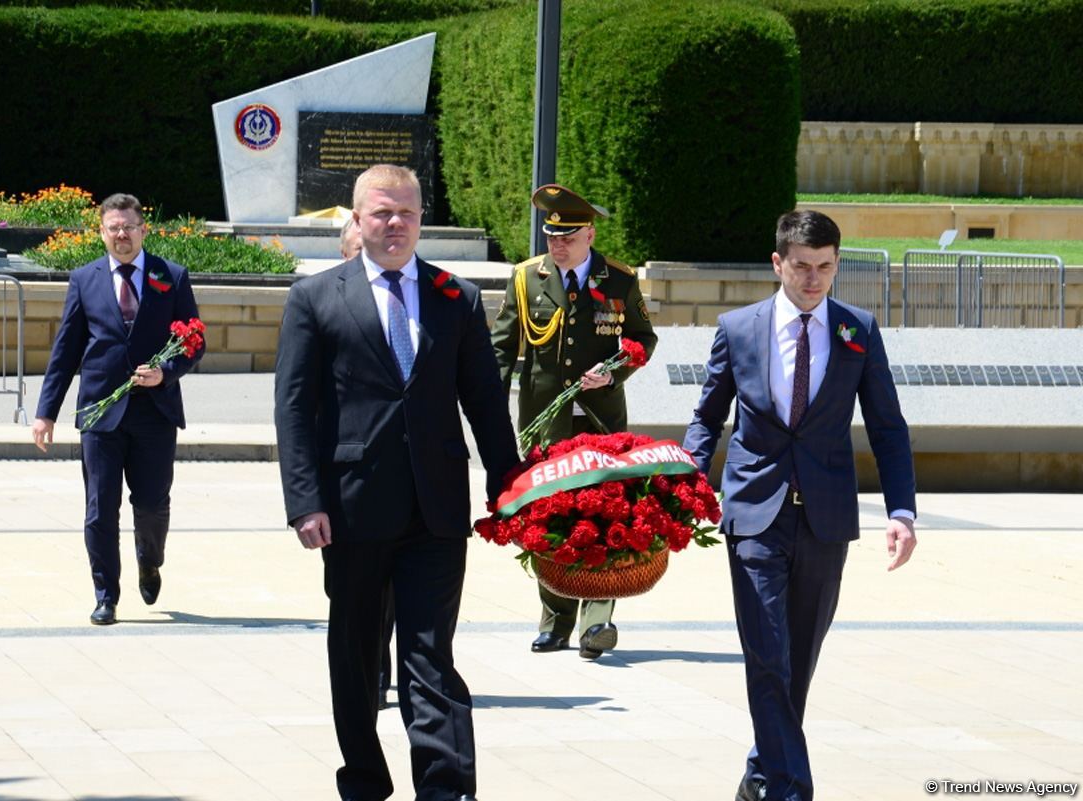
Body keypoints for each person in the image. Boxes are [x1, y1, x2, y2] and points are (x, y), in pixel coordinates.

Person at [274, 164, 519, 801]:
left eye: (407, 213)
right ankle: (363, 777)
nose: (395, 224)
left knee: (430, 654)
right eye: (382, 213)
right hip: (352, 511)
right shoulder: (316, 298)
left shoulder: (454, 297)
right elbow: (294, 408)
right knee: (355, 658)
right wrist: (305, 501)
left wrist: (509, 483)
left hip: (436, 512)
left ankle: (446, 788)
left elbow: (485, 401)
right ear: (356, 220)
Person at [683, 210, 917, 801]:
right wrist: (685, 480)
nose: (814, 281)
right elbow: (708, 418)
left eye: (826, 268)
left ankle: (762, 769)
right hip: (754, 513)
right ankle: (790, 788)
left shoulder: (857, 330)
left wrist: (902, 511)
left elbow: (887, 426)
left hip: (826, 517)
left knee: (798, 658)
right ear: (778, 263)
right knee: (767, 653)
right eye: (803, 267)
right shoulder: (738, 329)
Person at [491, 183, 657, 660]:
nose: (556, 245)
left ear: (589, 233)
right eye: (550, 236)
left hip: (602, 422)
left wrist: (612, 374)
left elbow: (644, 339)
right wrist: (491, 410)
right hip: (548, 421)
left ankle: (596, 621)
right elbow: (502, 349)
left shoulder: (619, 280)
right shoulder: (526, 278)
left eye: (566, 237)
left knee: (605, 513)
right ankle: (555, 619)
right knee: (551, 515)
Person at [33, 193, 204, 626]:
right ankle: (106, 593)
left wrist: (166, 372)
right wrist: (45, 412)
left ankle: (150, 559)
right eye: (114, 228)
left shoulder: (172, 276)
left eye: (129, 226)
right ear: (102, 232)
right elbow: (66, 350)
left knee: (150, 505)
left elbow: (193, 341)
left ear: (143, 229)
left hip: (154, 413)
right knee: (99, 508)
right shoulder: (84, 279)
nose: (122, 235)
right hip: (99, 414)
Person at [340, 213, 396, 711]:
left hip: (410, 487)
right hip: (349, 486)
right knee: (356, 597)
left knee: (396, 595)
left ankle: (383, 669)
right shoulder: (324, 302)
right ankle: (369, 666)